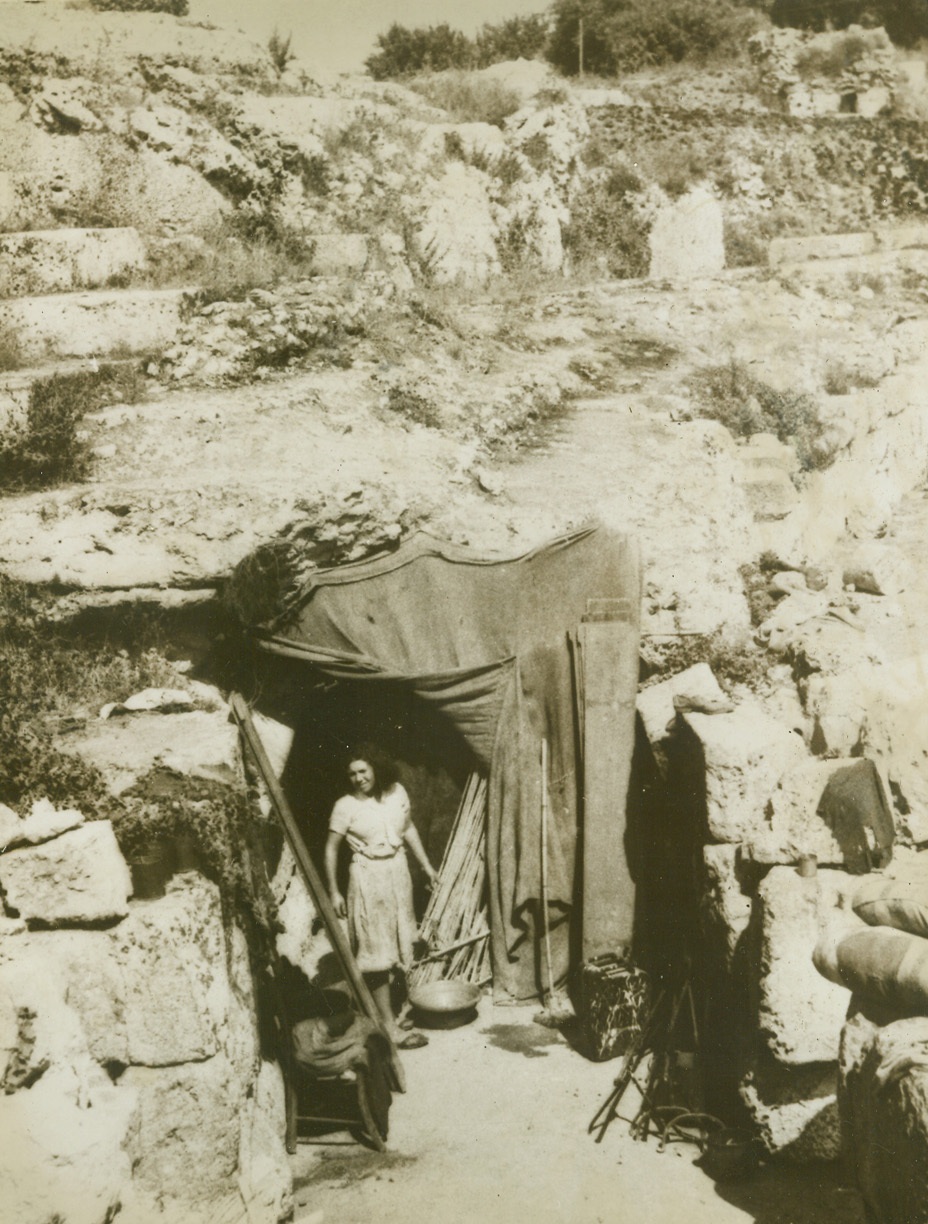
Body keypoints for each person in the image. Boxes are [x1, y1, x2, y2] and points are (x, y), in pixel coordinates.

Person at [325, 745, 437, 1050]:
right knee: (375, 949)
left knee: (399, 940)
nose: (359, 778)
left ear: (375, 767)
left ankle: (396, 1013)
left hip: (397, 872)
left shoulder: (397, 792)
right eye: (352, 774)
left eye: (363, 771)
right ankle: (387, 1025)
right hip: (367, 877)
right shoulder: (344, 806)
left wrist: (426, 867)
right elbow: (331, 849)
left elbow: (409, 828)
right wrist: (334, 891)